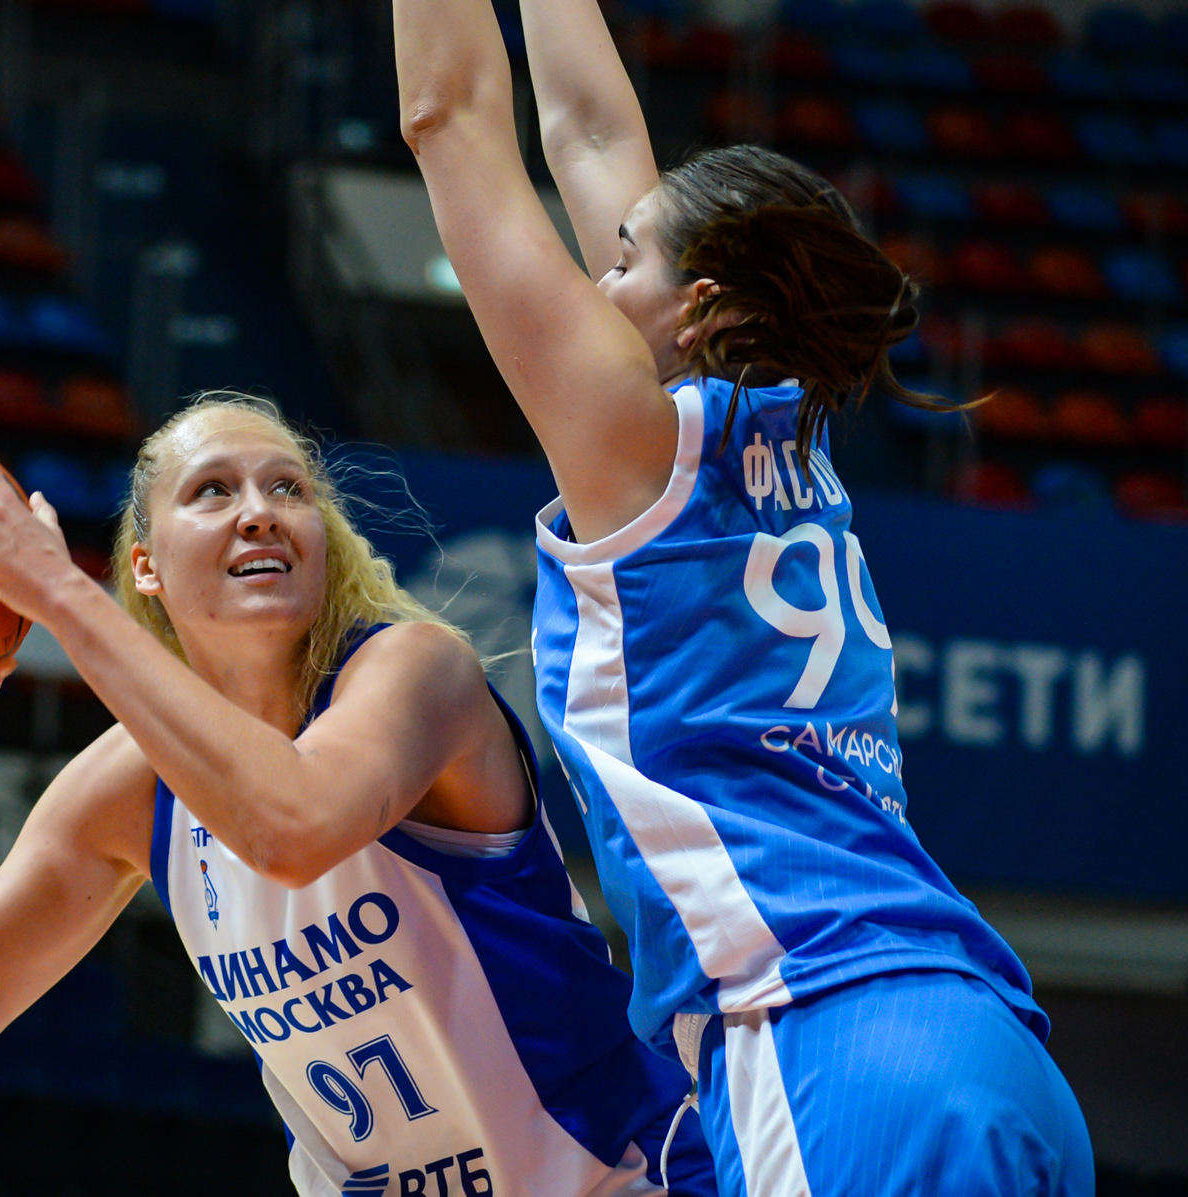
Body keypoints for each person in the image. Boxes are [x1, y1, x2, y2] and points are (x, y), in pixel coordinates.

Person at [391, 1, 1092, 1194]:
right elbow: (590, 131)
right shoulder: (788, 440)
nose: (595, 279)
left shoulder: (630, 445)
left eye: (621, 263)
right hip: (983, 1041)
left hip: (820, 1039)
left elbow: (446, 116)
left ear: (705, 308)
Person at [0, 396, 716, 1195]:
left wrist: (60, 589)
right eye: (213, 491)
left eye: (288, 488)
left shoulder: (414, 670)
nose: (259, 510)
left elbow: (293, 829)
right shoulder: (131, 783)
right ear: (146, 566)